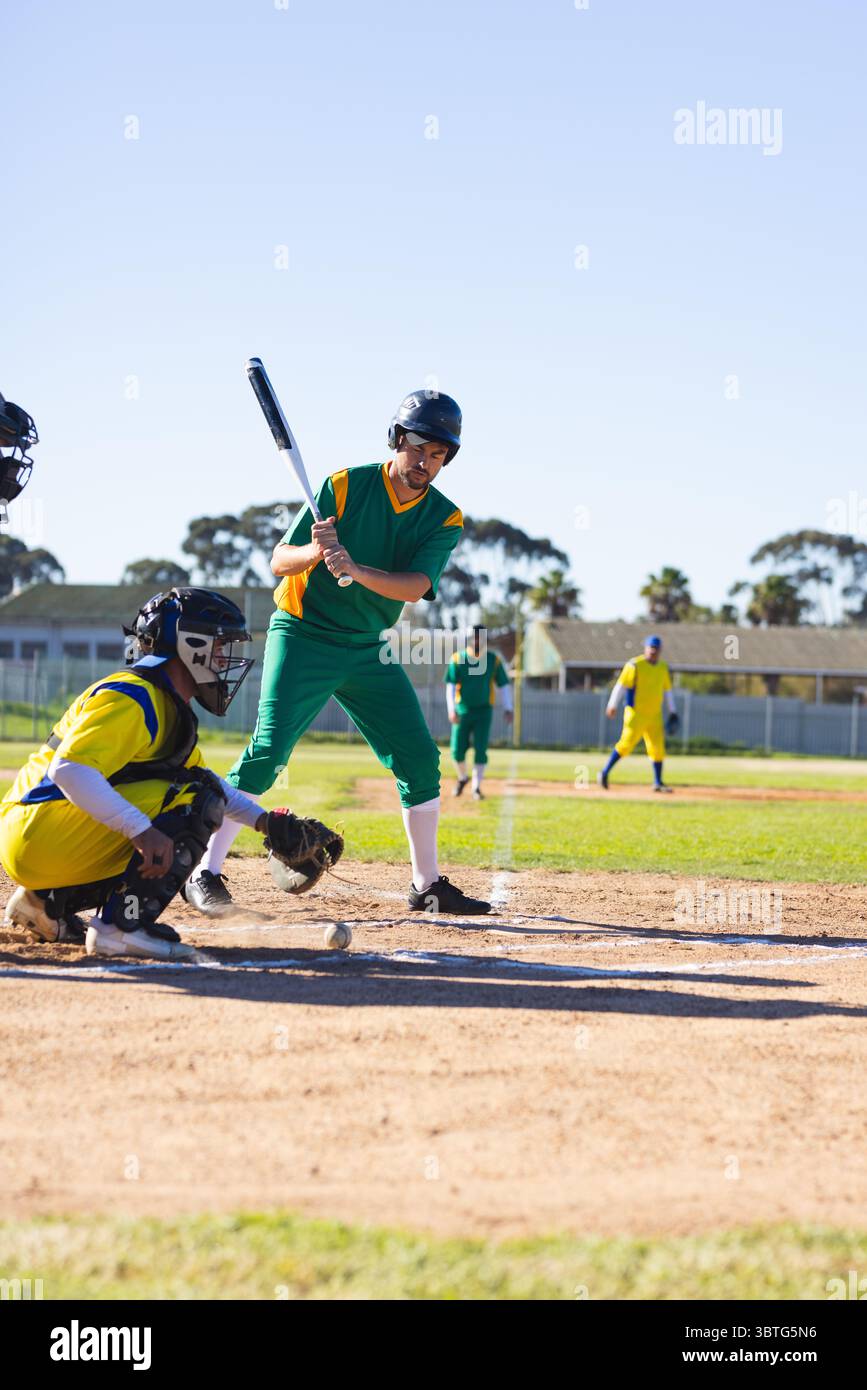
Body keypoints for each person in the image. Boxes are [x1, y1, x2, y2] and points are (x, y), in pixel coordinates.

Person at [184, 388, 492, 918]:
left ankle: (427, 886)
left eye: (439, 455)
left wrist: (356, 569)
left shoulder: (445, 518)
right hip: (303, 634)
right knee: (269, 751)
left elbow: (417, 584)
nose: (426, 463)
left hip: (368, 647)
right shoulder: (345, 486)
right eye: (418, 448)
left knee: (419, 759)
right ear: (397, 439)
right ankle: (204, 871)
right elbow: (280, 561)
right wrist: (317, 550)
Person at [0, 588, 294, 958]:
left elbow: (206, 780)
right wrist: (142, 831)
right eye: (219, 647)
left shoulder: (160, 699)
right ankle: (121, 929)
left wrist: (267, 823)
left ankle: (45, 903)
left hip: (39, 835)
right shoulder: (133, 696)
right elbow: (70, 770)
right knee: (195, 805)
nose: (224, 659)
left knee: (198, 794)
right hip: (39, 834)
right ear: (190, 643)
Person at [597, 635, 679, 792]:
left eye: (656, 649)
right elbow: (621, 685)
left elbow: (667, 690)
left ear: (660, 650)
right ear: (646, 648)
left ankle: (658, 782)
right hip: (635, 714)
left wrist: (673, 711)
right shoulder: (634, 665)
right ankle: (604, 772)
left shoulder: (663, 667)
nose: (653, 652)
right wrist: (612, 704)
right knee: (626, 745)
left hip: (655, 714)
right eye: (651, 648)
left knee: (657, 748)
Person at [445, 626, 513, 799]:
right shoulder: (458, 658)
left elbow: (503, 685)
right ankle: (462, 778)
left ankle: (476, 787)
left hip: (484, 711)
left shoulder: (493, 660)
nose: (477, 641)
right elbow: (451, 686)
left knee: (481, 749)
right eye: (474, 638)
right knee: (457, 750)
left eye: (480, 638)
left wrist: (508, 707)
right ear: (469, 639)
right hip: (463, 711)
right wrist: (452, 709)